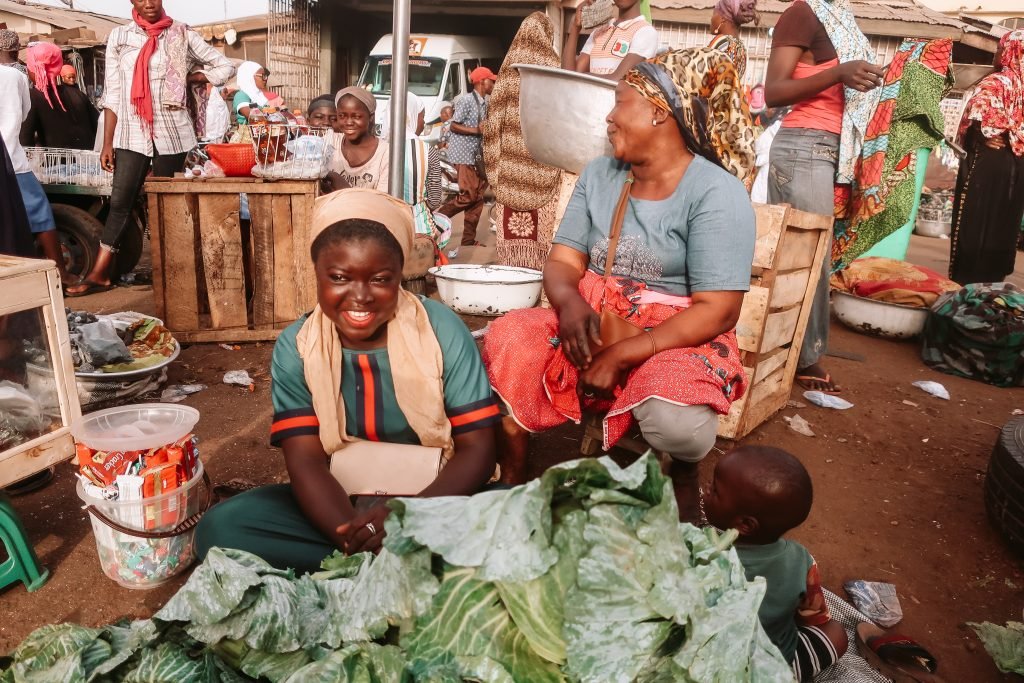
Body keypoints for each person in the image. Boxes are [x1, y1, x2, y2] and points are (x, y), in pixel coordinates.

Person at [484, 48, 755, 521]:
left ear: (659, 112)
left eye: (620, 102)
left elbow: (718, 309)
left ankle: (682, 473)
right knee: (510, 337)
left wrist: (622, 354)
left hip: (676, 335)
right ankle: (513, 476)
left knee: (677, 424)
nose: (609, 117)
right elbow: (563, 261)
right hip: (596, 316)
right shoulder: (599, 174)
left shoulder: (716, 192)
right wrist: (569, 304)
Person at [194, 188, 501, 573]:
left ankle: (371, 566)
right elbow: (306, 462)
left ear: (400, 275)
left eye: (380, 279)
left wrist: (407, 518)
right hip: (341, 504)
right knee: (223, 529)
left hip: (435, 503)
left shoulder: (441, 330)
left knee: (518, 524)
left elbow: (477, 450)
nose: (360, 296)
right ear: (317, 273)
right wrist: (349, 537)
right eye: (339, 277)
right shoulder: (298, 346)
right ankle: (401, 569)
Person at [66, 0, 234, 297]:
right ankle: (100, 273)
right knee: (121, 202)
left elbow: (225, 66)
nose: (148, 3)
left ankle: (175, 275)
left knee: (169, 207)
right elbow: (113, 94)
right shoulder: (120, 37)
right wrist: (108, 142)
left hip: (173, 134)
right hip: (131, 132)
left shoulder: (181, 33)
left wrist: (192, 78)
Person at [764, 0, 884, 392]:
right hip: (804, 148)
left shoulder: (840, 17)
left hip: (829, 150)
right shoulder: (803, 12)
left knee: (811, 257)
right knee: (806, 258)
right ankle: (804, 357)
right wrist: (838, 73)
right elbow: (774, 91)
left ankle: (788, 348)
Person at [703, 446, 848, 681]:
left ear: (745, 525)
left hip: (707, 667)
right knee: (836, 633)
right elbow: (815, 616)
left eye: (715, 490)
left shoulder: (700, 557)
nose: (707, 488)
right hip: (772, 663)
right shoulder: (802, 560)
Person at [484, 12, 563, 271]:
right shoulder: (554, 70)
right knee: (543, 247)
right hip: (545, 173)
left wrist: (494, 173)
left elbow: (492, 126)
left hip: (508, 175)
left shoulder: (508, 71)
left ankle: (512, 287)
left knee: (510, 254)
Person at [948, 30, 1024, 286]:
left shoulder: (998, 82)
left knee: (975, 222)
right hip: (1018, 165)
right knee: (1004, 224)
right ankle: (993, 285)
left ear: (1011, 52)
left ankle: (966, 284)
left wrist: (983, 134)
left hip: (989, 160)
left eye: (1001, 49)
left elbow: (981, 115)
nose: (996, 54)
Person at [0, 50, 73, 285]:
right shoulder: (14, 76)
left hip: (11, 159)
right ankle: (60, 274)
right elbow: (23, 115)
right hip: (12, 158)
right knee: (40, 214)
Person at [438, 66, 496, 248]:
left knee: (477, 199)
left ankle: (468, 241)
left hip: (476, 156)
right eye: (491, 81)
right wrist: (476, 130)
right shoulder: (467, 100)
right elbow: (453, 125)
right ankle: (436, 219)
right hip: (464, 156)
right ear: (482, 82)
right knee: (468, 196)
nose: (493, 84)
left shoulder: (484, 102)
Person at [20, 42, 99, 150]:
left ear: (36, 69)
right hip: (87, 157)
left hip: (56, 160)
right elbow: (98, 124)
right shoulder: (78, 93)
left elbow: (25, 140)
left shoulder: (33, 97)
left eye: (28, 67)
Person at [562, 0, 659, 80]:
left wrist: (581, 76)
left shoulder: (645, 32)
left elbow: (618, 80)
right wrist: (575, 26)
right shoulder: (598, 32)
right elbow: (569, 76)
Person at [326, 86, 389, 191]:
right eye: (342, 116)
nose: (349, 122)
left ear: (371, 117)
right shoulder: (330, 142)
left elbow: (381, 198)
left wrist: (336, 179)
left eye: (356, 116)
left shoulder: (385, 153)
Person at [707, 0, 758, 80]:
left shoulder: (721, 42)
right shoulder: (741, 48)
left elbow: (704, 76)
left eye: (714, 14)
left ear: (722, 18)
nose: (711, 19)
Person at [232, 60, 271, 125]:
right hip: (249, 131)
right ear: (250, 76)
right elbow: (253, 116)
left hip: (264, 130)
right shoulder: (241, 95)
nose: (266, 79)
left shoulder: (260, 95)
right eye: (263, 76)